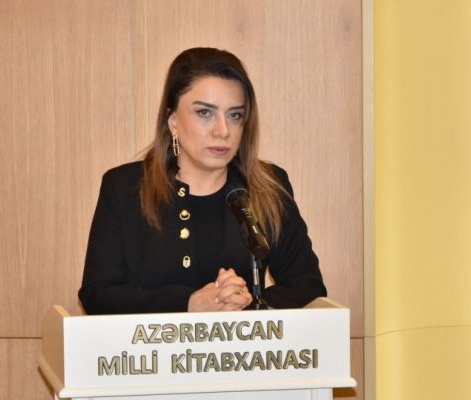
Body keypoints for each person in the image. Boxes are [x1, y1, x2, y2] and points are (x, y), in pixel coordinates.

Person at [78, 47, 326, 314]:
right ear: (173, 121)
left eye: (235, 115)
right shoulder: (124, 187)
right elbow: (97, 295)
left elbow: (307, 284)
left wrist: (247, 307)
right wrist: (188, 304)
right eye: (205, 113)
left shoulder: (269, 186)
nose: (223, 131)